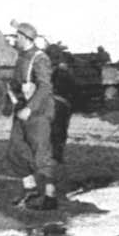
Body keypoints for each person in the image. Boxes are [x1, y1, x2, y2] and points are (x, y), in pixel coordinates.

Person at [6, 22, 58, 210]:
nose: (15, 39)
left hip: (38, 113)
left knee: (41, 154)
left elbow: (45, 86)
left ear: (25, 38)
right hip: (22, 111)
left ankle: (50, 197)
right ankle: (31, 190)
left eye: (17, 36)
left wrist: (30, 108)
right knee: (15, 152)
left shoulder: (39, 58)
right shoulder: (22, 57)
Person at [46, 39, 77, 171]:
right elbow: (73, 87)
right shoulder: (65, 71)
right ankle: (57, 156)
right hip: (63, 103)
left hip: (48, 101)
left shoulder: (44, 70)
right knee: (61, 130)